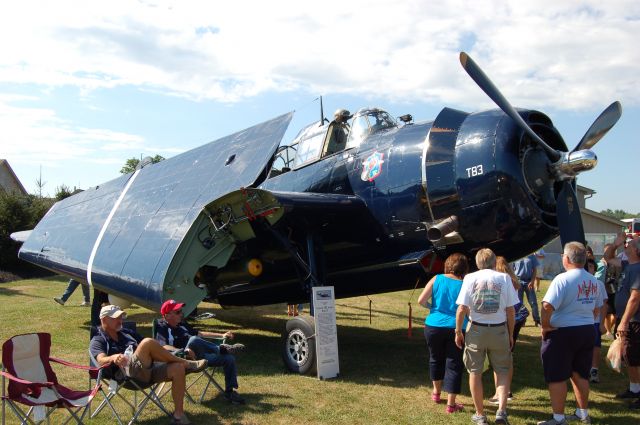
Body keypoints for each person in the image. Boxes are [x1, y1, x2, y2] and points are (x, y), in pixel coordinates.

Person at [89, 305, 207, 425]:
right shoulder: (98, 339)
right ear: (104, 320)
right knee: (147, 342)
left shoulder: (126, 333)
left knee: (178, 368)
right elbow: (100, 360)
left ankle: (178, 415)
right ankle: (186, 363)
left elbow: (156, 347)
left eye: (121, 317)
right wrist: (113, 357)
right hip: (127, 375)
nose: (120, 320)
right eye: (115, 318)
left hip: (147, 369)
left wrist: (180, 351)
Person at [537, 242, 603, 425]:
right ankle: (583, 413)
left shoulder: (562, 279)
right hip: (587, 329)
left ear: (566, 258)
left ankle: (558, 418)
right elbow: (597, 309)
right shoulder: (593, 280)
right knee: (580, 373)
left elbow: (547, 305)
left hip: (563, 332)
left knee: (557, 375)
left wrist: (545, 326)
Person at [455, 248, 518, 425]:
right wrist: (511, 333)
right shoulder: (504, 278)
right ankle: (501, 411)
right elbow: (510, 310)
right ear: (493, 262)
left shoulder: (470, 278)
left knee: (475, 372)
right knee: (503, 371)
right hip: (498, 329)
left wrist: (458, 331)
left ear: (477, 263)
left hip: (476, 329)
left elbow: (461, 308)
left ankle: (480, 415)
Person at [155, 299, 246, 404]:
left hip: (200, 356)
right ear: (167, 316)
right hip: (184, 359)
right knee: (193, 340)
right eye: (177, 312)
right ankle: (221, 349)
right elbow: (163, 347)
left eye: (181, 311)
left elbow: (200, 334)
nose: (181, 314)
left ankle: (230, 392)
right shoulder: (162, 327)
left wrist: (221, 335)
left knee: (228, 358)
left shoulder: (182, 324)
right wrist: (183, 351)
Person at [418, 253, 469, 414]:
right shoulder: (465, 284)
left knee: (435, 358)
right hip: (457, 327)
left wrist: (433, 308)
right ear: (464, 268)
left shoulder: (436, 279)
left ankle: (436, 393)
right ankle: (451, 404)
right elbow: (467, 309)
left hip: (433, 325)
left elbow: (421, 300)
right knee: (454, 364)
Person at [605, 233, 640, 407]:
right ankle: (634, 389)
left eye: (629, 245)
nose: (626, 246)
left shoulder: (638, 268)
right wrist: (615, 244)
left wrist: (625, 321)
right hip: (626, 318)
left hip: (634, 320)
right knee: (629, 355)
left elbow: (635, 298)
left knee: (634, 355)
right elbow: (608, 258)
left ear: (636, 250)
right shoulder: (627, 264)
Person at [488, 256, 526, 404]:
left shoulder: (500, 282)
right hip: (518, 317)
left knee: (499, 358)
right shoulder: (512, 281)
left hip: (507, 319)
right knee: (507, 355)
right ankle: (506, 390)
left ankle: (500, 392)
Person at [584, 258, 608, 384]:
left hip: (595, 321)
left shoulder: (599, 284)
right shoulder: (577, 282)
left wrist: (602, 323)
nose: (589, 269)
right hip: (580, 321)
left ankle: (594, 370)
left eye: (591, 266)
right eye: (587, 266)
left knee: (595, 346)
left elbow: (604, 304)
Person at [595, 243, 621, 340]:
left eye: (612, 251)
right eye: (608, 251)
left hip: (616, 288)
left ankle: (608, 328)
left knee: (615, 313)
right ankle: (609, 331)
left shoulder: (617, 261)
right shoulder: (601, 263)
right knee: (607, 312)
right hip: (605, 289)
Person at [512, 253, 541, 326]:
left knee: (533, 302)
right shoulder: (515, 255)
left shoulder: (531, 255)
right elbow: (512, 270)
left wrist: (532, 281)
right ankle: (521, 321)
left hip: (529, 282)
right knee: (519, 303)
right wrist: (514, 282)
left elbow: (534, 270)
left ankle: (537, 320)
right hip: (518, 281)